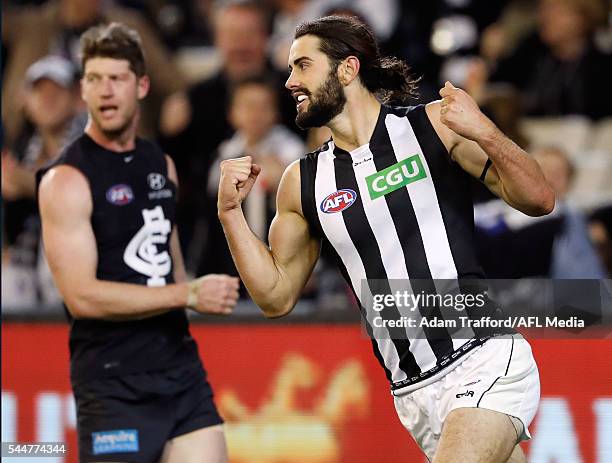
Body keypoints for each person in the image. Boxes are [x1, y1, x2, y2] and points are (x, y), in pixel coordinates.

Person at [217, 15, 555, 462]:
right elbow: (275, 297)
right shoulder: (302, 181)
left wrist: (486, 130)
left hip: (483, 358)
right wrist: (229, 214)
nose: (289, 81)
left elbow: (540, 199)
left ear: (347, 69)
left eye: (302, 66)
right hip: (413, 393)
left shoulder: (434, 126)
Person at [37, 23, 237, 463]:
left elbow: (172, 264)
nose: (105, 91)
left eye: (116, 78)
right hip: (112, 384)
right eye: (94, 79)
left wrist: (192, 288)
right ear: (82, 91)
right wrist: (188, 293)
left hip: (179, 371)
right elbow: (82, 296)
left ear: (142, 85)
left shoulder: (159, 164)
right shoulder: (65, 180)